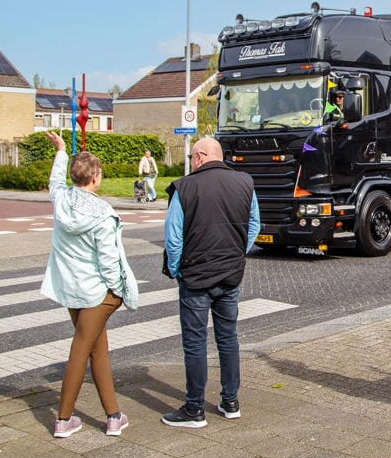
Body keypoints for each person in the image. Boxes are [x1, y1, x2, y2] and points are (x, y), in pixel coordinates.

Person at [39, 131, 139, 438]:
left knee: (98, 350)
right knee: (82, 349)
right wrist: (119, 291)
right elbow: (109, 260)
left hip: (71, 288)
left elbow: (55, 182)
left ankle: (113, 416)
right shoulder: (103, 215)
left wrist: (60, 152)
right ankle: (63, 419)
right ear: (94, 178)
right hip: (97, 291)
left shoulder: (62, 200)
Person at [162, 137, 260, 428]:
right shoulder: (245, 182)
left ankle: (194, 409)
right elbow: (254, 224)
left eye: (192, 156)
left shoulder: (185, 187)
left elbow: (173, 236)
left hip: (195, 278)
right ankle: (230, 401)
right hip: (230, 276)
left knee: (194, 343)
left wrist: (177, 268)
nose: (190, 162)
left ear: (201, 157)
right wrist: (236, 253)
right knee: (228, 338)